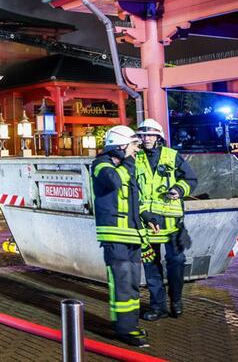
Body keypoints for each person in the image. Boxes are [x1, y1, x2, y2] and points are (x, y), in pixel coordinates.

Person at [91, 125, 149, 347]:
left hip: (132, 237)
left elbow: (134, 201)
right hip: (115, 237)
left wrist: (148, 217)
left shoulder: (126, 166)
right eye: (134, 145)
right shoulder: (100, 165)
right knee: (122, 283)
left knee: (133, 283)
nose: (137, 150)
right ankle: (124, 330)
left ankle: (130, 324)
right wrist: (128, 163)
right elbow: (113, 182)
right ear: (121, 145)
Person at [135, 118, 198, 321]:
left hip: (172, 224)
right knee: (151, 267)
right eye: (143, 135)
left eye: (150, 134)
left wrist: (179, 189)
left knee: (176, 262)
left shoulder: (172, 156)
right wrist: (143, 213)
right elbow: (131, 189)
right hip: (148, 223)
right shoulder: (135, 158)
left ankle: (176, 301)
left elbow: (190, 179)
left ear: (158, 137)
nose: (146, 138)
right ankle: (158, 306)